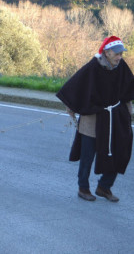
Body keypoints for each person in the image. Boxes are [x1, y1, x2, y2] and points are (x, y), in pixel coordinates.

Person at [56, 36, 134, 202]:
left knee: (119, 151)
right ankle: (83, 188)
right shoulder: (94, 67)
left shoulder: (122, 67)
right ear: (107, 52)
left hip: (114, 118)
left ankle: (104, 187)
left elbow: (128, 91)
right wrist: (72, 105)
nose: (120, 57)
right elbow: (76, 85)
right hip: (93, 117)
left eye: (121, 54)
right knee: (87, 156)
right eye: (117, 53)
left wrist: (128, 114)